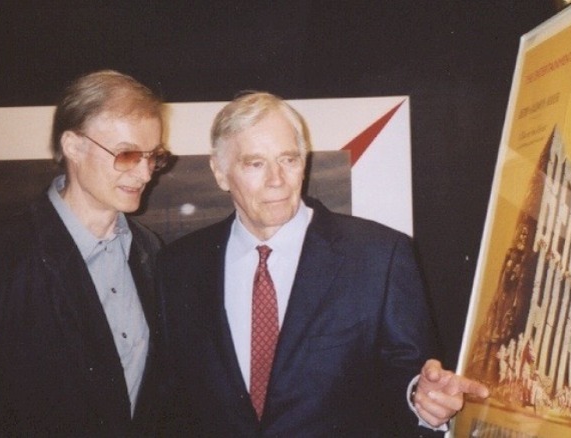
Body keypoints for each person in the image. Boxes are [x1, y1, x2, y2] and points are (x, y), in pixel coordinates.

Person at [158, 91, 488, 436]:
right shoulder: (178, 268)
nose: (276, 179)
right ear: (220, 172)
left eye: (288, 160)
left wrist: (421, 399)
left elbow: (408, 374)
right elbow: (172, 402)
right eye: (255, 163)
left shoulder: (379, 256)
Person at [0, 70, 170, 436]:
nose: (144, 173)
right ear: (73, 147)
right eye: (127, 155)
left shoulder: (149, 251)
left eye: (153, 156)